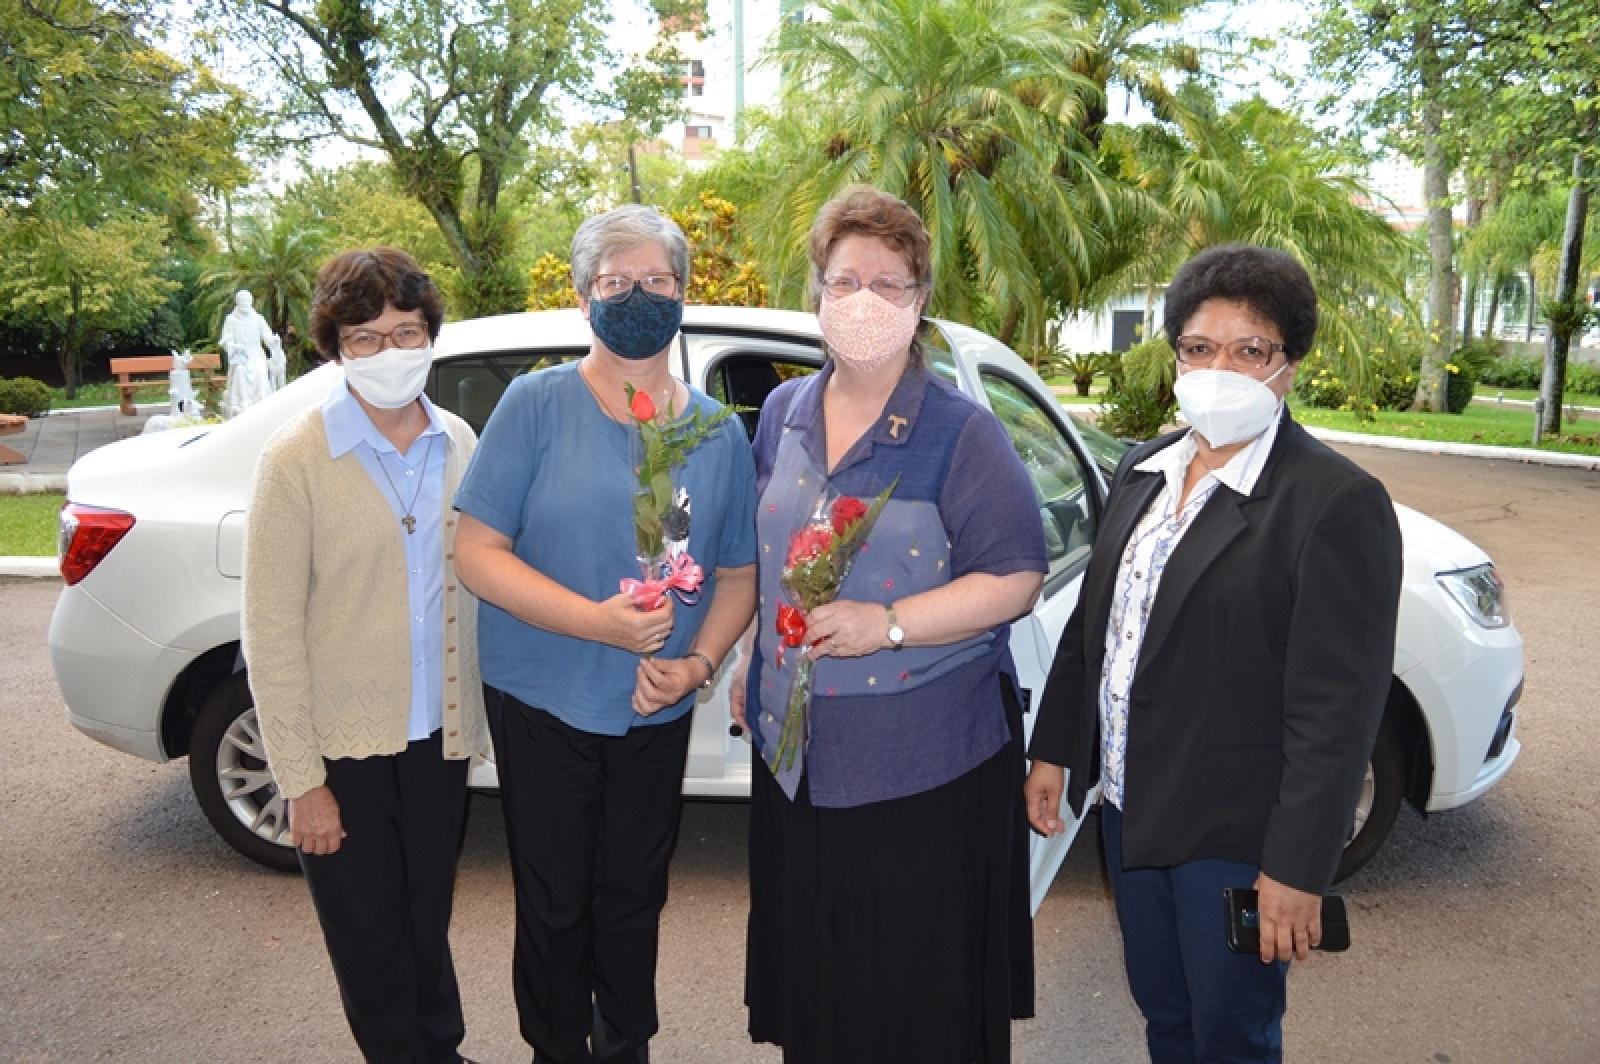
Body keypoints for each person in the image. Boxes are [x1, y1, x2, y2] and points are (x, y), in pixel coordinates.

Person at [1024, 244, 1403, 1062]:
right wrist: (1055, 750)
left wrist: (1299, 869)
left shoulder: (1334, 503)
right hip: (1131, 808)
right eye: (1200, 348)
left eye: (1249, 349)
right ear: (1176, 357)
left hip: (1235, 832)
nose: (1219, 368)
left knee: (1231, 1033)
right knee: (1164, 1012)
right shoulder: (1144, 468)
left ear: (1290, 364)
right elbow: (1096, 624)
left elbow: (1336, 714)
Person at [736, 185, 1047, 1063]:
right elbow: (777, 560)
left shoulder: (961, 434)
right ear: (816, 292)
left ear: (920, 304)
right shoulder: (784, 415)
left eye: (890, 285)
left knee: (914, 1006)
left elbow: (1016, 576)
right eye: (846, 281)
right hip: (797, 764)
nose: (865, 302)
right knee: (821, 999)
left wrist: (893, 623)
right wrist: (757, 662)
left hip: (923, 775)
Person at [452, 204, 758, 1064]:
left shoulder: (715, 431)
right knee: (553, 902)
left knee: (633, 895)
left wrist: (698, 663)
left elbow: (737, 573)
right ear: (585, 296)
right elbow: (478, 551)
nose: (636, 297)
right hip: (544, 697)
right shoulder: (535, 405)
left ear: (683, 294)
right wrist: (597, 622)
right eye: (616, 282)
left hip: (655, 710)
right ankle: (557, 1047)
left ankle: (626, 1043)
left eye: (656, 282)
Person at [242, 247, 488, 1061]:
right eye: (366, 337)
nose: (390, 352)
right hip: (341, 750)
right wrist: (301, 784)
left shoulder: (457, 440)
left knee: (427, 919)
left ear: (430, 336)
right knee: (369, 936)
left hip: (436, 739)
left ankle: (439, 1051)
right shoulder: (295, 461)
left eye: (406, 332)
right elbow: (270, 635)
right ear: (335, 346)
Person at [220, 289, 278, 416]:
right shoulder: (231, 319)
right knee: (240, 371)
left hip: (256, 354)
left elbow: (267, 337)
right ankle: (242, 402)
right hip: (240, 356)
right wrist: (232, 346)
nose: (245, 303)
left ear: (251, 302)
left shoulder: (258, 319)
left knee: (261, 371)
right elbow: (226, 340)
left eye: (247, 301)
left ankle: (261, 401)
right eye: (242, 301)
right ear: (237, 302)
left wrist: (274, 341)